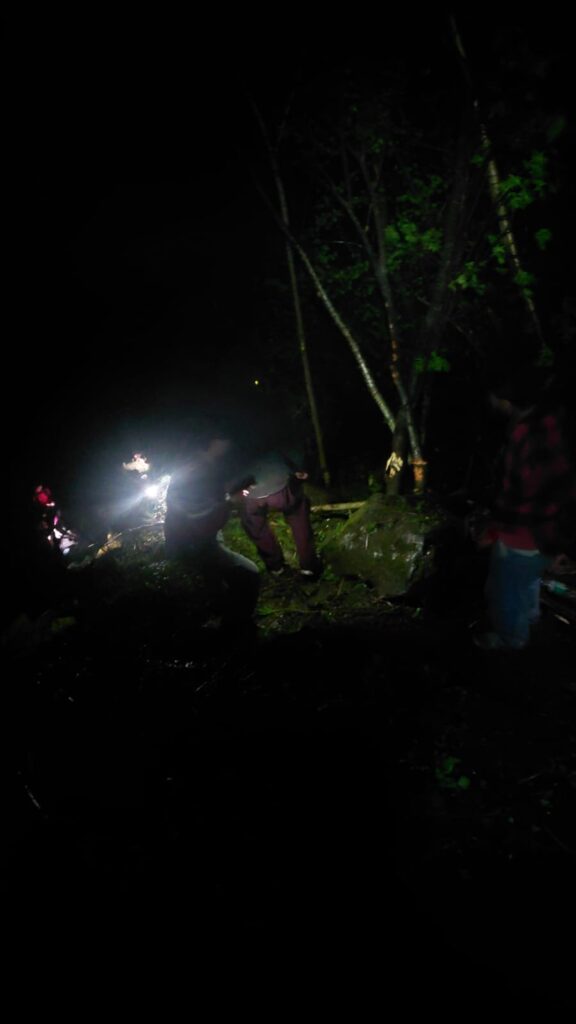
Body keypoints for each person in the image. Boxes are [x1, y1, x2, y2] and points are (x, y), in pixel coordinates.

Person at [473, 368, 576, 650]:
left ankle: (510, 640)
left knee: (506, 590)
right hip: (550, 530)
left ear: (506, 400)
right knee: (527, 582)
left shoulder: (524, 434)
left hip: (523, 532)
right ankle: (530, 621)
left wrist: (494, 531)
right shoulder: (553, 423)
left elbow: (517, 493)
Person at [164, 431, 260, 633]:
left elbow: (206, 499)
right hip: (190, 543)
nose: (229, 443)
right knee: (250, 574)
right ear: (213, 442)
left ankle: (219, 605)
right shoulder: (197, 471)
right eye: (225, 438)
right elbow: (201, 521)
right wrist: (231, 503)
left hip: (187, 537)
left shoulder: (198, 464)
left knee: (215, 578)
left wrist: (230, 492)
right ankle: (235, 626)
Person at [239, 449, 321, 578]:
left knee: (254, 525)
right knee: (298, 516)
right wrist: (299, 469)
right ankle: (308, 566)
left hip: (250, 492)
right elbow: (290, 448)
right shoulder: (272, 438)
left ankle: (276, 567)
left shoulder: (234, 442)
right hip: (279, 486)